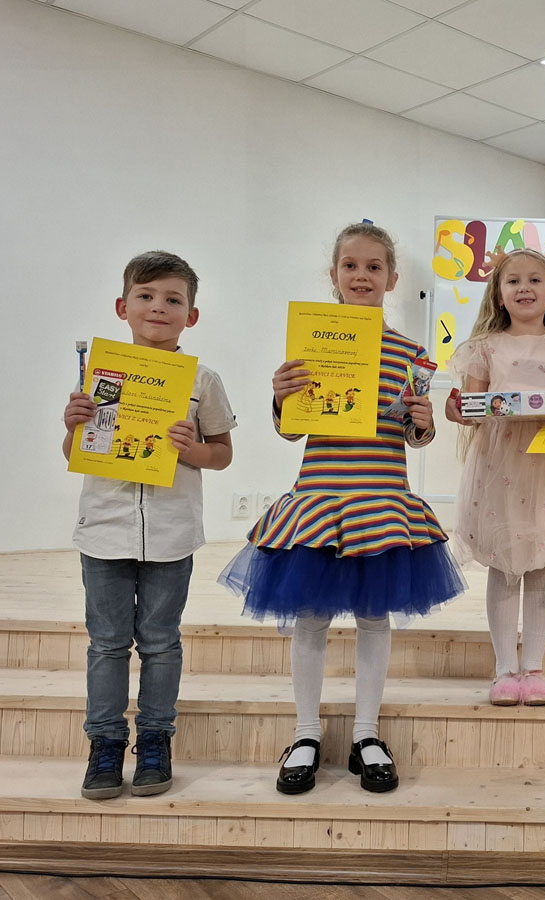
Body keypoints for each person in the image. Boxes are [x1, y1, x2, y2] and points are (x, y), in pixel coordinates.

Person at [219, 222, 465, 794]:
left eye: (374, 267)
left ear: (392, 279)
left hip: (382, 498)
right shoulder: (310, 345)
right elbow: (290, 431)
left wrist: (423, 422)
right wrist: (280, 398)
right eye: (351, 266)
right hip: (320, 497)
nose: (362, 276)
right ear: (333, 274)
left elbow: (415, 437)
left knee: (375, 618)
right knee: (310, 617)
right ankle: (305, 732)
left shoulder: (411, 354)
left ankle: (366, 733)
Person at [62, 251, 236, 799]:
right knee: (107, 644)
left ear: (191, 315)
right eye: (146, 296)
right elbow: (76, 452)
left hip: (170, 532)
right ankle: (105, 743)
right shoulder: (100, 373)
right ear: (123, 306)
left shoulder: (203, 380)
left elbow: (223, 453)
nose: (158, 307)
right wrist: (72, 426)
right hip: (104, 528)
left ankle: (156, 740)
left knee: (160, 643)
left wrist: (193, 451)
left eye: (172, 299)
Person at [445, 248, 545, 706]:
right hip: (502, 466)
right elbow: (471, 408)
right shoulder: (484, 348)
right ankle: (503, 669)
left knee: (543, 559)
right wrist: (457, 411)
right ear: (499, 294)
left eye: (535, 280)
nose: (524, 288)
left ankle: (533, 667)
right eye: (513, 281)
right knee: (504, 561)